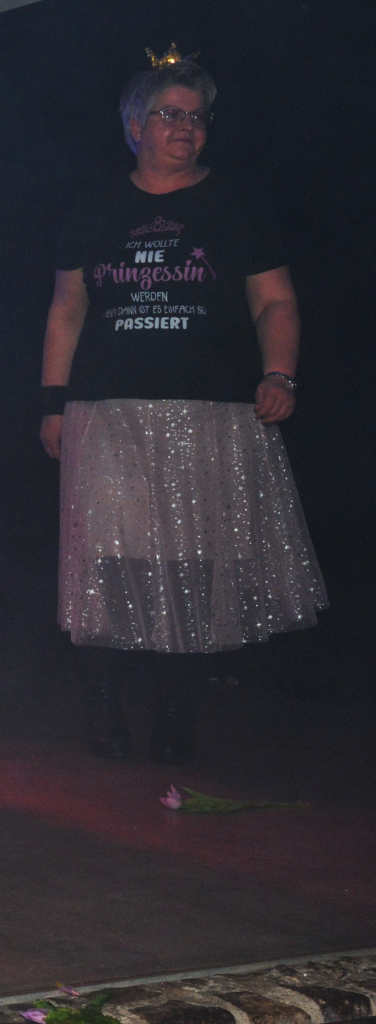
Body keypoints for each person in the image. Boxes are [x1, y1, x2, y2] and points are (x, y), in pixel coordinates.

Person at [39, 50, 326, 765]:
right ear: (134, 125)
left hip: (210, 414)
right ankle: (104, 710)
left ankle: (175, 717)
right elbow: (67, 309)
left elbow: (275, 300)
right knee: (108, 563)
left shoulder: (237, 203)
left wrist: (281, 375)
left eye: (198, 118)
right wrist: (52, 403)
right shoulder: (94, 206)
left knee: (193, 567)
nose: (186, 128)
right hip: (108, 413)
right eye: (171, 114)